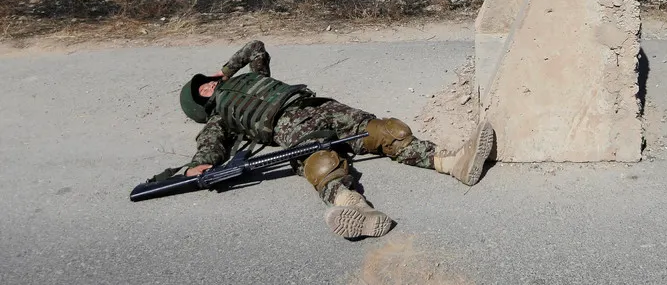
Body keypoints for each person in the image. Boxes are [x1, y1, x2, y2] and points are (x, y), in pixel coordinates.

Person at [170, 39, 495, 239]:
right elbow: (210, 143)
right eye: (202, 90)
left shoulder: (254, 77)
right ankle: (351, 206)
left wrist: (224, 71)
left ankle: (452, 163)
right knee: (321, 161)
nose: (208, 86)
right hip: (287, 123)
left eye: (206, 82)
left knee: (385, 130)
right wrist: (200, 165)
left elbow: (256, 46)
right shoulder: (220, 117)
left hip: (318, 104)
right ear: (201, 105)